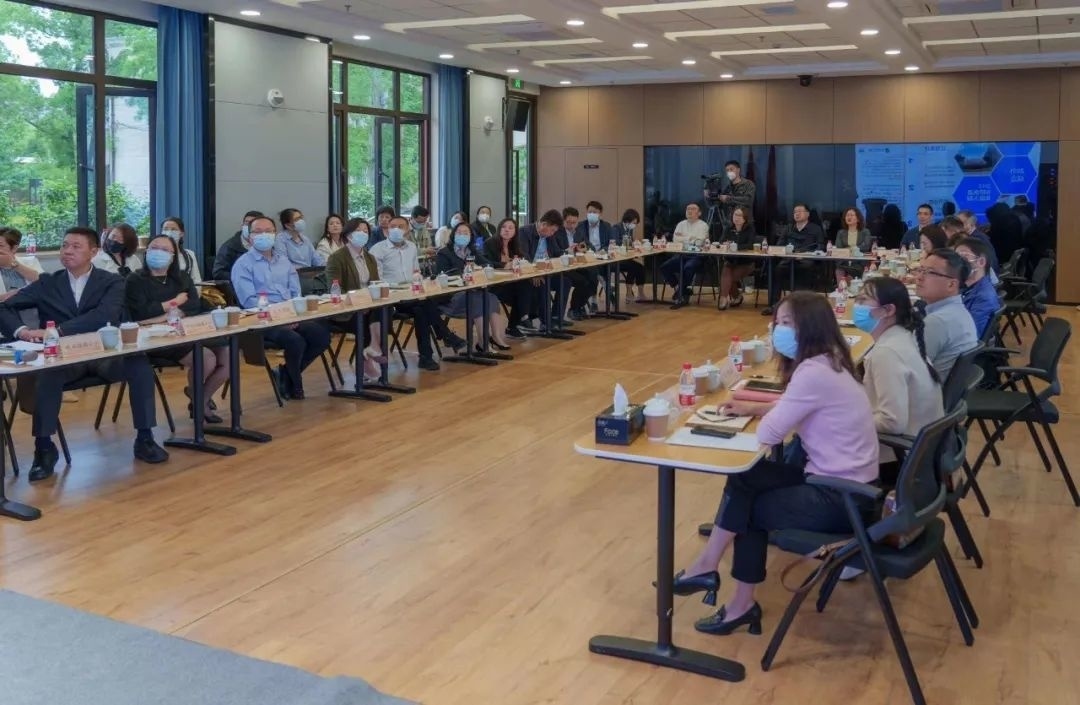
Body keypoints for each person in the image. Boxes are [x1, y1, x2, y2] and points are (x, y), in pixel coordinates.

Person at [670, 291, 878, 635]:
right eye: (777, 322)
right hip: (850, 485)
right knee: (747, 477)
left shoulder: (812, 372)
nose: (777, 330)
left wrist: (764, 414)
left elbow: (769, 434)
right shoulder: (832, 360)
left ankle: (741, 604)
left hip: (841, 498)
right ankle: (707, 565)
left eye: (786, 323)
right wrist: (754, 408)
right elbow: (799, 405)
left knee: (750, 511)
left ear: (808, 327)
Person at [0, 227, 169, 479]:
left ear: (94, 251)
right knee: (46, 375)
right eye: (64, 245)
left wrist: (57, 331)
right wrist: (22, 331)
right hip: (65, 358)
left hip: (104, 354)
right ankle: (44, 449)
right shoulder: (48, 282)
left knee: (139, 366)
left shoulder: (112, 281)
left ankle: (145, 438)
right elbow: (4, 307)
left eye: (76, 246)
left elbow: (104, 315)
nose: (67, 251)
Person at [125, 235, 229, 424]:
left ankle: (200, 399)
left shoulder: (182, 277)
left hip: (186, 330)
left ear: (173, 256)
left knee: (227, 357)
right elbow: (141, 313)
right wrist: (174, 304)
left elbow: (194, 305)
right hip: (156, 338)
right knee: (206, 359)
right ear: (146, 251)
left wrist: (163, 313)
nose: (158, 252)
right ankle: (201, 405)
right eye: (154, 247)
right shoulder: (135, 280)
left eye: (165, 250)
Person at [853, 276, 943, 487]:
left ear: (888, 310)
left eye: (863, 300)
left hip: (898, 458)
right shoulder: (903, 337)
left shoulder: (887, 353)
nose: (856, 306)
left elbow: (892, 422)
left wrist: (849, 420)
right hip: (920, 452)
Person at [232, 215, 331, 399]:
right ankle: (295, 385)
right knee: (295, 341)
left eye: (268, 231)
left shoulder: (284, 261)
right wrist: (280, 317)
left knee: (321, 336)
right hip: (261, 320)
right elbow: (249, 301)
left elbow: (295, 293)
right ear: (249, 236)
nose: (263, 235)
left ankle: (285, 373)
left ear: (275, 234)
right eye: (258, 232)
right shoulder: (243, 264)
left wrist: (292, 314)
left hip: (289, 314)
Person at [368, 214, 466, 371]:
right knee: (425, 305)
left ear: (407, 230)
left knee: (422, 309)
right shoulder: (377, 249)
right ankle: (445, 336)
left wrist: (419, 280)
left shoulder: (411, 247)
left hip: (411, 294)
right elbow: (376, 279)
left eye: (400, 227)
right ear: (387, 230)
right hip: (390, 297)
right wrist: (397, 288)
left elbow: (415, 271)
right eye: (393, 227)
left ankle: (426, 357)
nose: (396, 229)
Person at [323, 218, 384, 381]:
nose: (363, 234)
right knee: (365, 321)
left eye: (366, 231)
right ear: (348, 234)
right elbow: (335, 289)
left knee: (385, 313)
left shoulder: (370, 258)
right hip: (346, 309)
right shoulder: (337, 257)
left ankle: (371, 352)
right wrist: (358, 303)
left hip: (369, 306)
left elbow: (375, 284)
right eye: (358, 231)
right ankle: (366, 363)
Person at [435, 222, 511, 351]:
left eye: (466, 233)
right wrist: (466, 272)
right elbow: (443, 275)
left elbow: (487, 264)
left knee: (491, 298)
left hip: (471, 291)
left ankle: (496, 337)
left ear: (471, 236)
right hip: (451, 296)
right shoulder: (444, 253)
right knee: (477, 301)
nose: (462, 235)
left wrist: (502, 265)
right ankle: (483, 343)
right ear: (453, 235)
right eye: (459, 232)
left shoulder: (471, 251)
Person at [914, 248, 978, 379]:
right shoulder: (957, 311)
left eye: (929, 272)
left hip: (927, 390)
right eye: (920, 270)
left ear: (951, 284)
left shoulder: (938, 321)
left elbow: (907, 371)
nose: (919, 277)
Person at [518, 209, 577, 329]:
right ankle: (546, 322)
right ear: (544, 224)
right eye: (552, 230)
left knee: (565, 281)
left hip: (545, 272)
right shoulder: (524, 232)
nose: (552, 233)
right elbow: (524, 257)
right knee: (543, 283)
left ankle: (556, 317)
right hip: (529, 273)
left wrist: (568, 252)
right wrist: (534, 273)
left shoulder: (549, 236)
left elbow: (556, 252)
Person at [764, 204, 825, 314]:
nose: (797, 214)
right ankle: (774, 305)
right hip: (788, 261)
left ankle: (801, 307)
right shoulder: (788, 228)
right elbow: (779, 245)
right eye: (795, 212)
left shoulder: (816, 229)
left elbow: (821, 247)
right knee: (777, 270)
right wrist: (785, 252)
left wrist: (807, 254)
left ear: (807, 214)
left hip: (806, 261)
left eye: (800, 211)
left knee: (805, 269)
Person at [482, 217, 532, 339]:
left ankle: (520, 320)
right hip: (494, 284)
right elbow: (485, 263)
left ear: (515, 232)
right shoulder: (490, 243)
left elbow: (525, 258)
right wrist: (504, 265)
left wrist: (522, 262)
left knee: (529, 286)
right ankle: (521, 319)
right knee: (522, 291)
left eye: (510, 228)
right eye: (504, 227)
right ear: (499, 229)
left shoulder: (515, 244)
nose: (507, 230)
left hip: (510, 283)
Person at [660, 203, 711, 304]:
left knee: (688, 267)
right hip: (681, 255)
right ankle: (680, 289)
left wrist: (683, 238)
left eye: (693, 209)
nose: (690, 211)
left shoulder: (703, 225)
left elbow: (699, 242)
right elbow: (675, 240)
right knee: (664, 267)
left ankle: (680, 292)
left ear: (699, 213)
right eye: (688, 209)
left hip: (697, 256)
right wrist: (691, 238)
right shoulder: (681, 224)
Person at [573, 201, 616, 315]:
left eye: (595, 212)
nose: (591, 214)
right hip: (587, 258)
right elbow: (579, 242)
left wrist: (602, 251)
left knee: (597, 269)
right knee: (594, 271)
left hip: (602, 256)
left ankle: (594, 301)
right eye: (590, 212)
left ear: (600, 214)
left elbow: (611, 243)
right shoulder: (580, 226)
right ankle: (606, 288)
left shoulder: (606, 226)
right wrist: (589, 252)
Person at [716, 206, 761, 310]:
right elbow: (721, 241)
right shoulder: (728, 228)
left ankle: (731, 297)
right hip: (731, 261)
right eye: (735, 215)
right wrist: (724, 244)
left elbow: (749, 245)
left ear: (745, 218)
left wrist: (734, 246)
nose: (736, 217)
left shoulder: (750, 229)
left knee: (728, 278)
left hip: (746, 262)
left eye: (740, 215)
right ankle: (725, 298)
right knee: (726, 270)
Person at [955, 237, 999, 339]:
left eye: (963, 258)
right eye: (956, 258)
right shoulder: (968, 287)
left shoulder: (984, 297)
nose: (956, 263)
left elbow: (971, 335)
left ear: (981, 262)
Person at [212, 210, 262, 281]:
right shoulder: (230, 246)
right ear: (242, 225)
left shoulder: (266, 245)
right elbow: (218, 273)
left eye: (253, 224)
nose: (249, 227)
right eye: (247, 223)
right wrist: (243, 277)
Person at [611, 208, 647, 303]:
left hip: (625, 257)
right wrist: (630, 243)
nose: (634, 225)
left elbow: (630, 242)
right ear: (627, 220)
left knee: (640, 267)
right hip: (616, 259)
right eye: (633, 223)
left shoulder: (629, 229)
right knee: (633, 267)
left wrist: (635, 244)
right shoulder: (616, 228)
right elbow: (615, 242)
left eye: (635, 223)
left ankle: (640, 293)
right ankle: (628, 293)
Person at [0, 227, 43, 304]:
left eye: (0, 245)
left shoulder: (31, 262)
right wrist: (4, 297)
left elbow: (44, 283)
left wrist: (14, 264)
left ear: (14, 248)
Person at [834, 207, 874, 285]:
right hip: (844, 263)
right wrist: (852, 250)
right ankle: (842, 289)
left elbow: (866, 246)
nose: (849, 217)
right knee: (839, 270)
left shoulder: (865, 231)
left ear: (858, 219)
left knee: (854, 276)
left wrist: (851, 249)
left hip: (859, 263)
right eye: (847, 215)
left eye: (852, 215)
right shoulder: (841, 233)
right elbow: (839, 248)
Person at [159, 217, 203, 283]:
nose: (169, 232)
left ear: (181, 233)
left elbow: (196, 280)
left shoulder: (189, 254)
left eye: (173, 229)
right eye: (165, 229)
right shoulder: (155, 254)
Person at [717, 159, 756, 228]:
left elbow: (748, 200)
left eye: (731, 169)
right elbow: (719, 205)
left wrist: (728, 198)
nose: (729, 172)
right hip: (730, 224)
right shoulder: (727, 188)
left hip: (745, 224)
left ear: (738, 170)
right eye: (727, 170)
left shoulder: (748, 184)